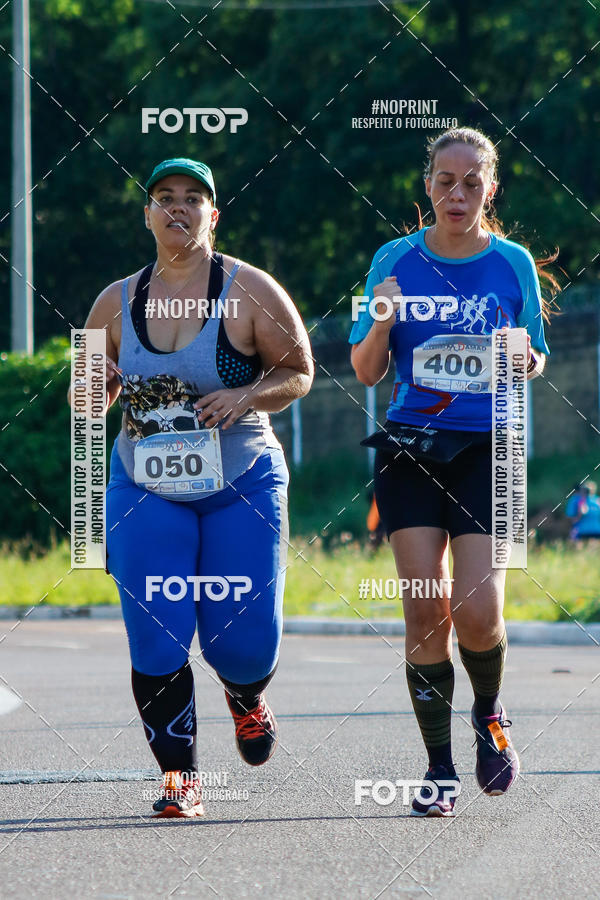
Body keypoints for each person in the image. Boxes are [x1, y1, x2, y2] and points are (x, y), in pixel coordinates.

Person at [68, 158, 313, 817]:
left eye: (193, 198)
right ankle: (181, 783)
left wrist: (244, 392)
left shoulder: (249, 291)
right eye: (164, 198)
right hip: (144, 484)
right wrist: (100, 384)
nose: (178, 208)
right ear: (147, 214)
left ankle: (245, 695)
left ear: (213, 214)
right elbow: (85, 401)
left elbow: (298, 372)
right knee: (157, 636)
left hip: (241, 483)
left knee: (244, 644)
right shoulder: (112, 301)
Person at [350, 127, 557, 816]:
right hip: (411, 448)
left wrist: (526, 357)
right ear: (427, 184)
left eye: (473, 182)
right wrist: (381, 320)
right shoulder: (392, 258)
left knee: (477, 609)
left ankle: (490, 715)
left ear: (490, 188)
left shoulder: (513, 262)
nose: (458, 193)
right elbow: (366, 369)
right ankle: (438, 770)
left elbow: (536, 352)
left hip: (489, 448)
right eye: (446, 180)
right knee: (422, 613)